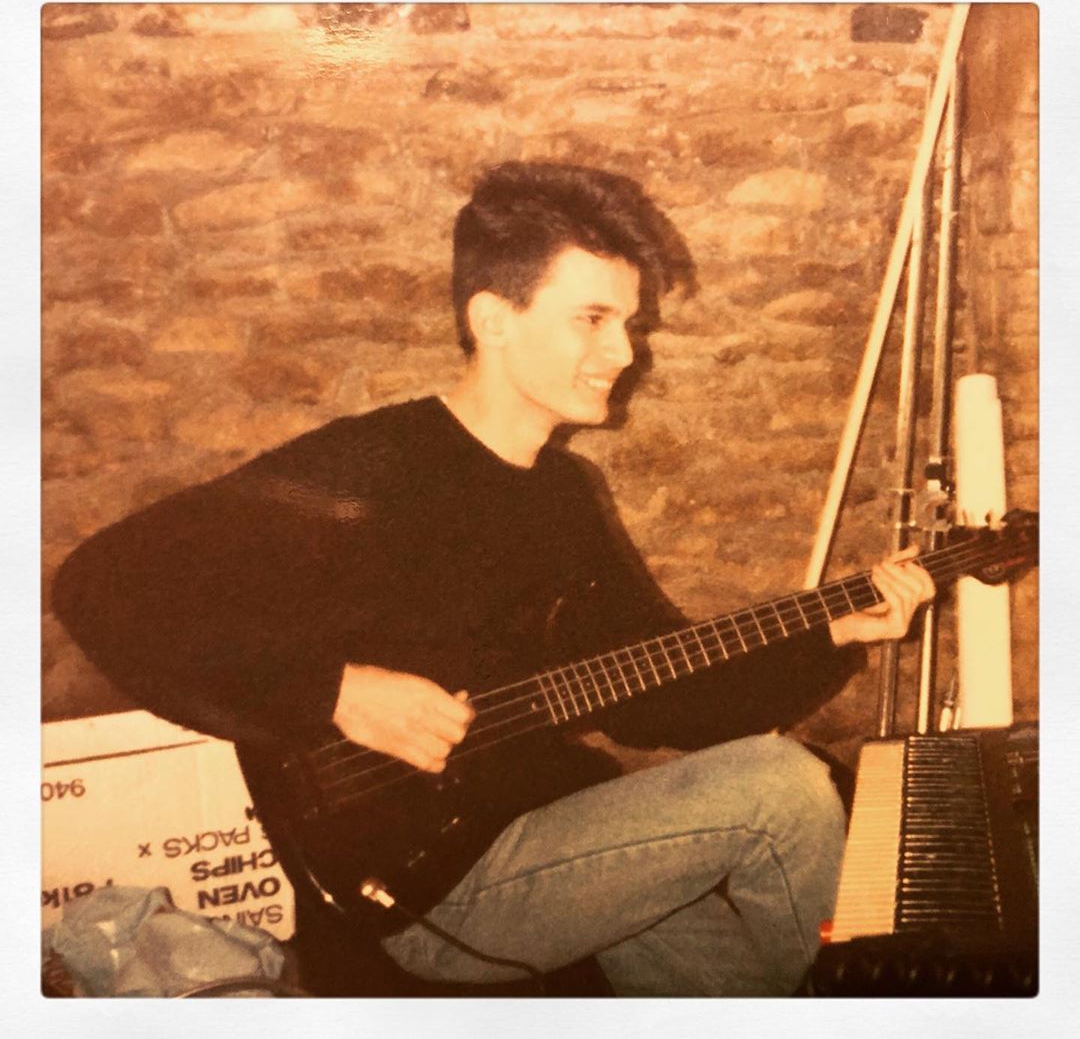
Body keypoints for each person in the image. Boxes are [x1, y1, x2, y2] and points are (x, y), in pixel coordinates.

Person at [51, 161, 935, 996]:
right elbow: (102, 583)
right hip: (427, 884)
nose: (623, 351)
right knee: (781, 785)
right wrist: (333, 690)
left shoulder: (563, 493)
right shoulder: (366, 467)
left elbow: (663, 691)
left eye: (629, 323)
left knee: (748, 987)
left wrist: (830, 631)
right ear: (492, 318)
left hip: (548, 830)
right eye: (592, 319)